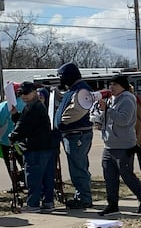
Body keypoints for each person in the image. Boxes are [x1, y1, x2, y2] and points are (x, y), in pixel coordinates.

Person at [94, 74, 141, 216]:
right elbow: (109, 118)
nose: (111, 87)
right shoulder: (111, 100)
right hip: (109, 144)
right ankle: (112, 204)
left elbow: (124, 120)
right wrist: (100, 116)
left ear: (123, 86)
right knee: (109, 176)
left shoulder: (128, 99)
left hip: (124, 144)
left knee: (127, 175)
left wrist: (108, 110)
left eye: (115, 85)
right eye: (110, 84)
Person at [9, 82, 58, 213]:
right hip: (46, 146)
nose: (23, 96)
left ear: (34, 92)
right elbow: (26, 122)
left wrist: (12, 136)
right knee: (47, 177)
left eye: (26, 93)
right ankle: (48, 202)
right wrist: (15, 116)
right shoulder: (37, 106)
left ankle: (33, 204)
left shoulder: (33, 108)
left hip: (36, 147)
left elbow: (24, 126)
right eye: (20, 94)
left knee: (33, 177)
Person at [54, 62, 94, 209]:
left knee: (78, 167)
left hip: (76, 134)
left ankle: (84, 198)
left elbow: (75, 112)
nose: (60, 80)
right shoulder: (74, 89)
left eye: (61, 77)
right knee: (79, 166)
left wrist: (60, 123)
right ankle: (82, 195)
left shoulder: (81, 90)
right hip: (74, 134)